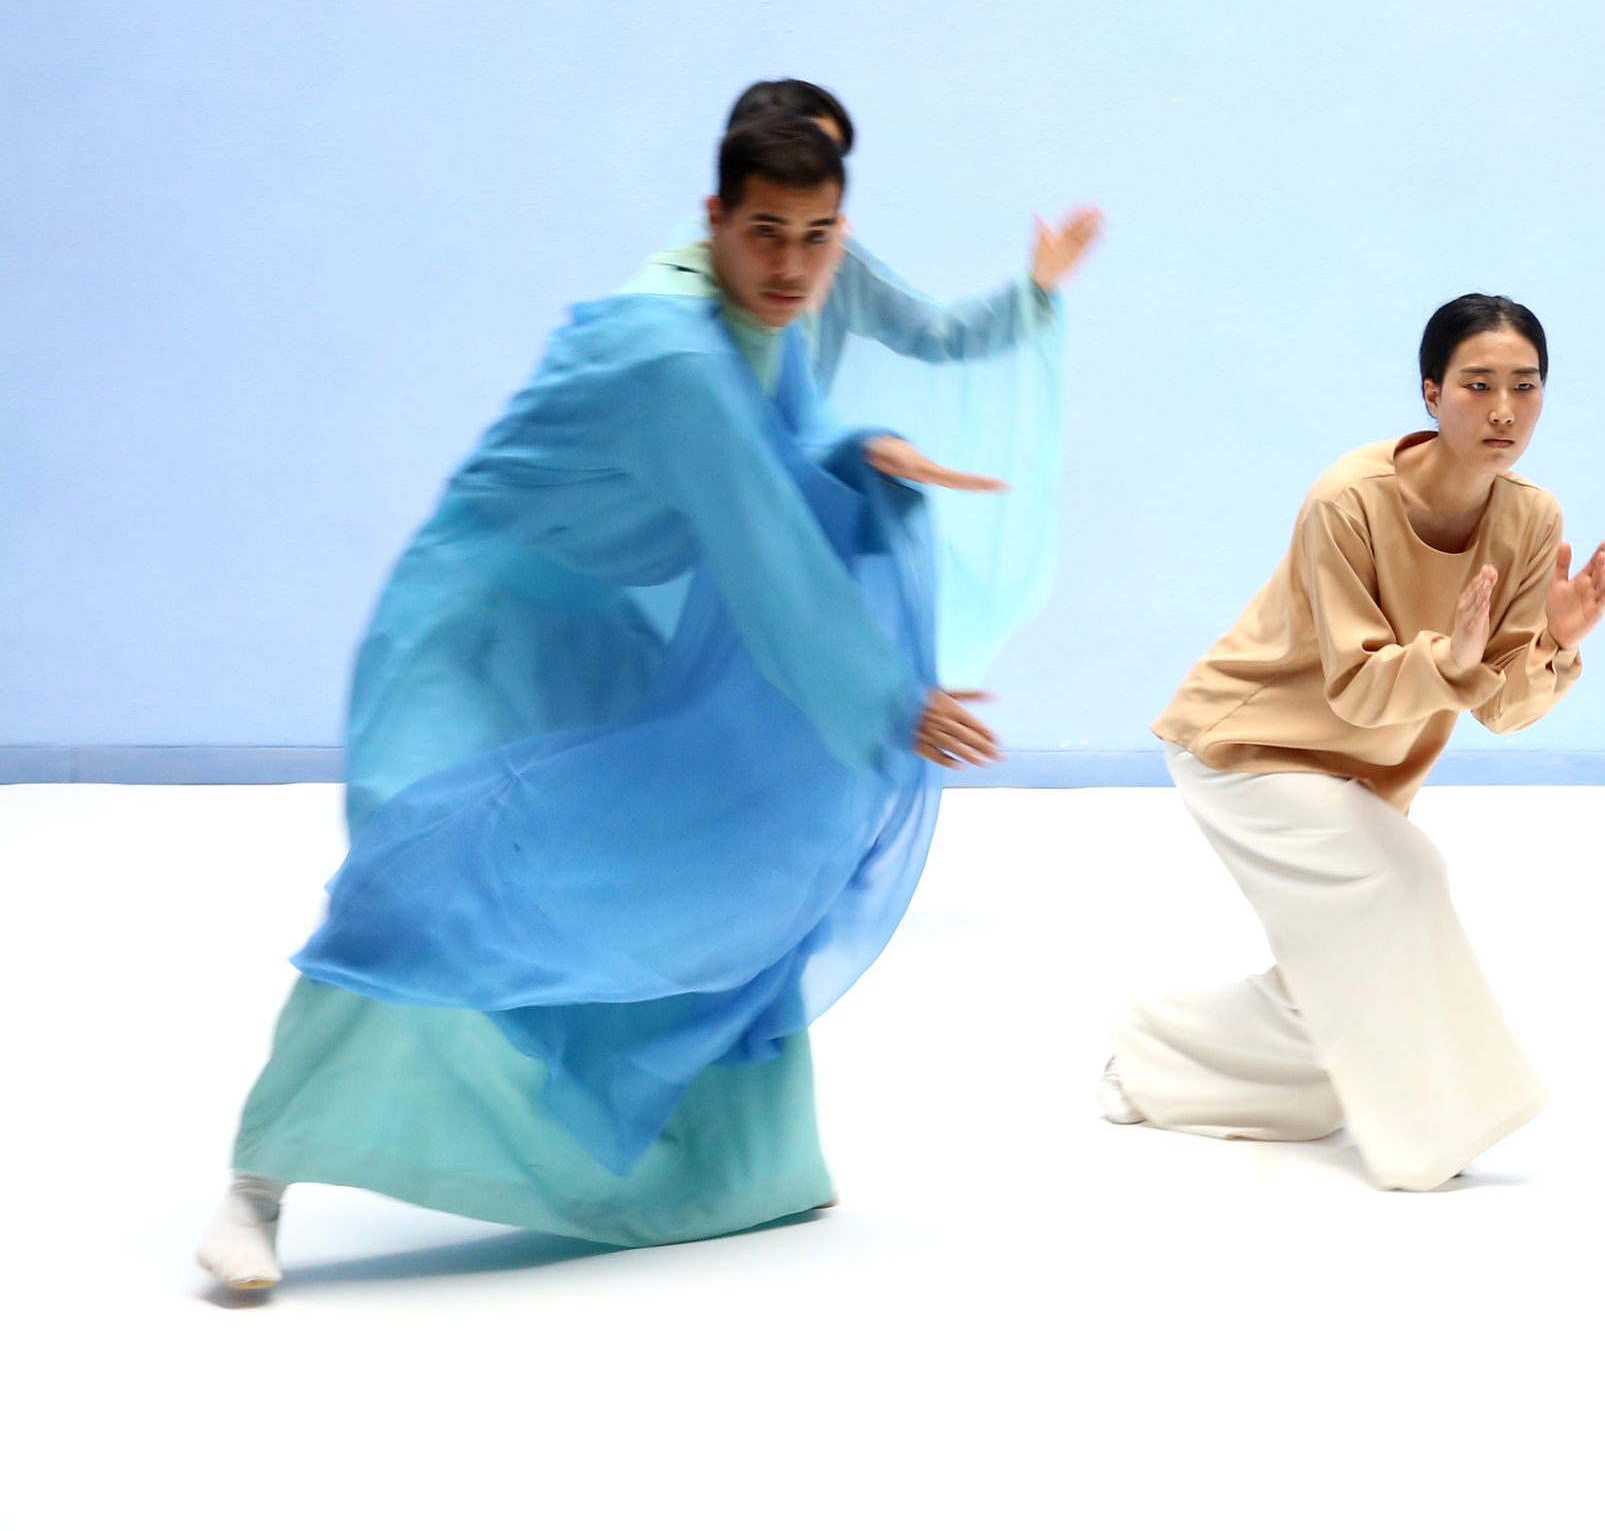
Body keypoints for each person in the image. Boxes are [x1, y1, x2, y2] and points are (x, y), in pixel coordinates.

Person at [195, 115, 1011, 1291]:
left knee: (695, 843)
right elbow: (761, 531)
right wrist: (886, 693)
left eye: (817, 236)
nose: (791, 265)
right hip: (474, 618)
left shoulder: (748, 322)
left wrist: (859, 447)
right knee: (425, 868)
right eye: (766, 231)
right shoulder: (670, 349)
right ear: (715, 220)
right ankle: (260, 1178)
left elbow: (782, 438)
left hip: (589, 618)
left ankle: (733, 1166)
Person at [1102, 295, 1605, 1192]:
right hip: (1247, 743)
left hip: (1362, 773)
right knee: (1407, 878)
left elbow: (1501, 709)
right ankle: (1433, 1136)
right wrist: (1450, 659)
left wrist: (1557, 644)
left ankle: (1149, 1050)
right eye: (1478, 385)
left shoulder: (1532, 519)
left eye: (1525, 386)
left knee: (1328, 1011)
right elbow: (1355, 683)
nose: (1503, 410)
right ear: (1431, 392)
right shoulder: (1349, 498)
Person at [719, 79, 1102, 681]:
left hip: (795, 514)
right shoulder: (694, 278)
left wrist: (1036, 288)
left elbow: (937, 333)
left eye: (831, 162)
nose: (816, 176)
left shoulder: (841, 265)